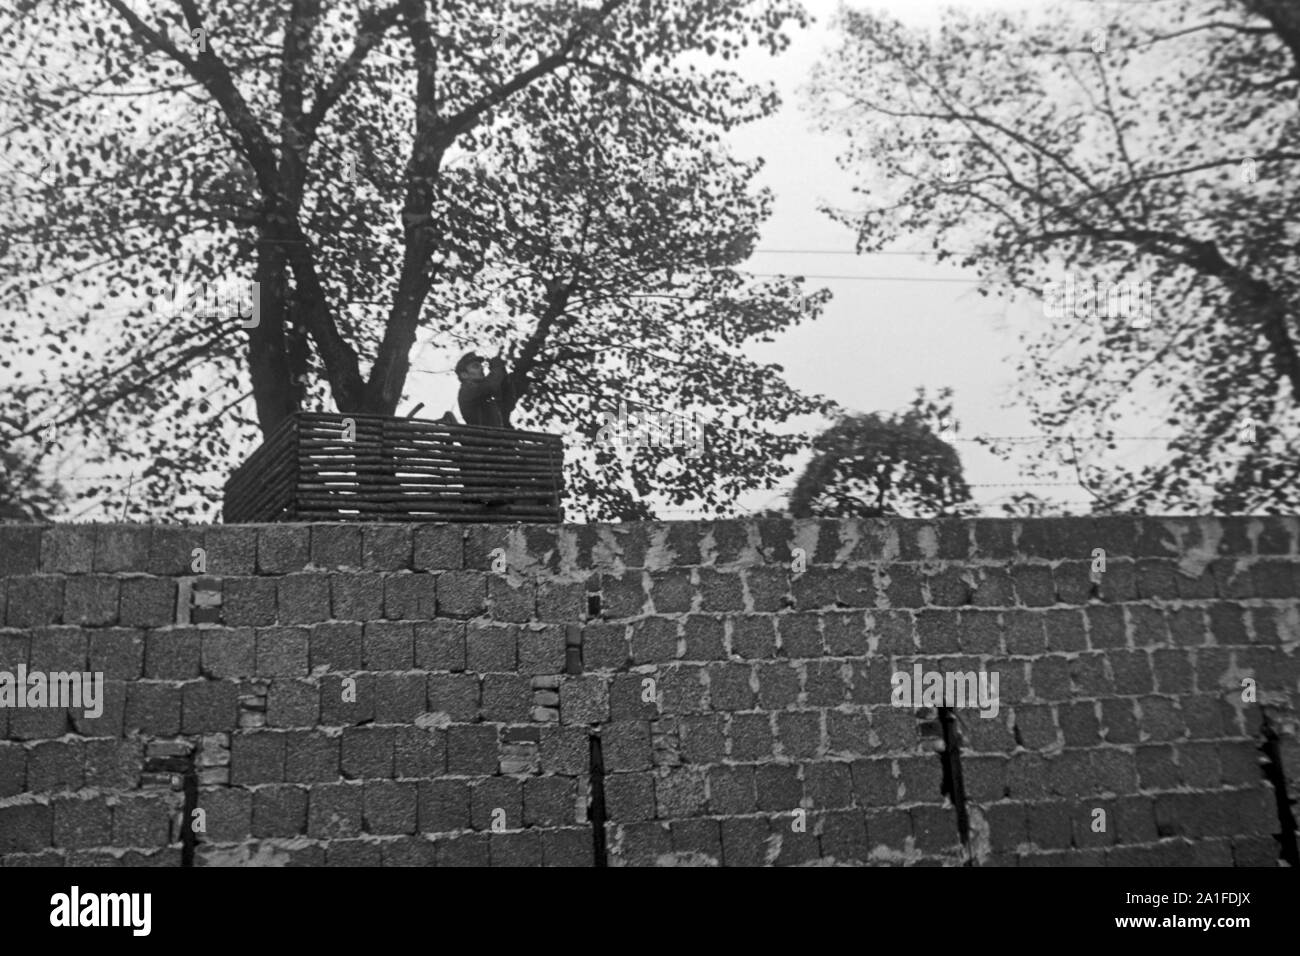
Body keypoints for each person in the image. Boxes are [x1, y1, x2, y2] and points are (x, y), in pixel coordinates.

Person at [455, 352, 512, 428]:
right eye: (475, 366)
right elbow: (491, 385)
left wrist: (503, 374)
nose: (481, 368)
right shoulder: (467, 390)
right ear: (464, 375)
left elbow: (509, 403)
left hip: (495, 436)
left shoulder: (484, 392)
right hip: (483, 437)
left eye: (481, 366)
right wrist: (497, 368)